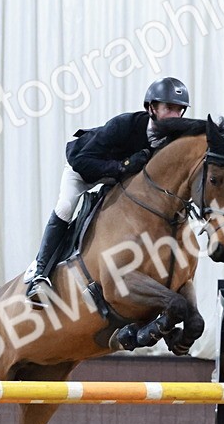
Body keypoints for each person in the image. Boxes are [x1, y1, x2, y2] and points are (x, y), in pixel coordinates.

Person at [25, 76, 191, 306]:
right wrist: (123, 166)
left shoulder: (172, 137)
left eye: (179, 110)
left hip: (117, 179)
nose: (174, 116)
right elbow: (82, 161)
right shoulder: (124, 124)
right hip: (84, 169)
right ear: (151, 107)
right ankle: (39, 273)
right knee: (65, 206)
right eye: (168, 108)